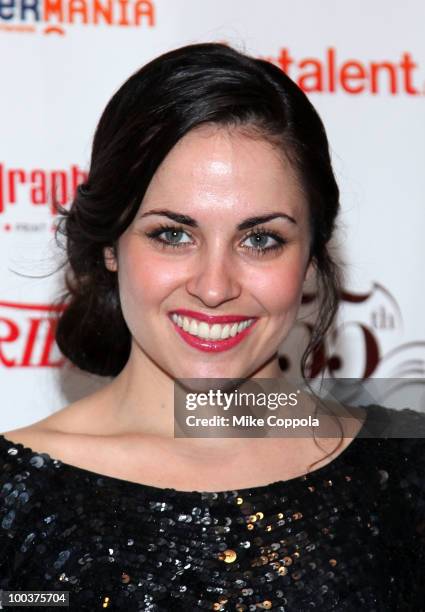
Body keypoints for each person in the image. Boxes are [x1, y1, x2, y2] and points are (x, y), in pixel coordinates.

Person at [0, 42, 424, 611]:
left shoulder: (404, 472)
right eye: (173, 234)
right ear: (109, 246)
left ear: (310, 259)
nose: (215, 285)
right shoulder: (13, 498)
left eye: (261, 239)